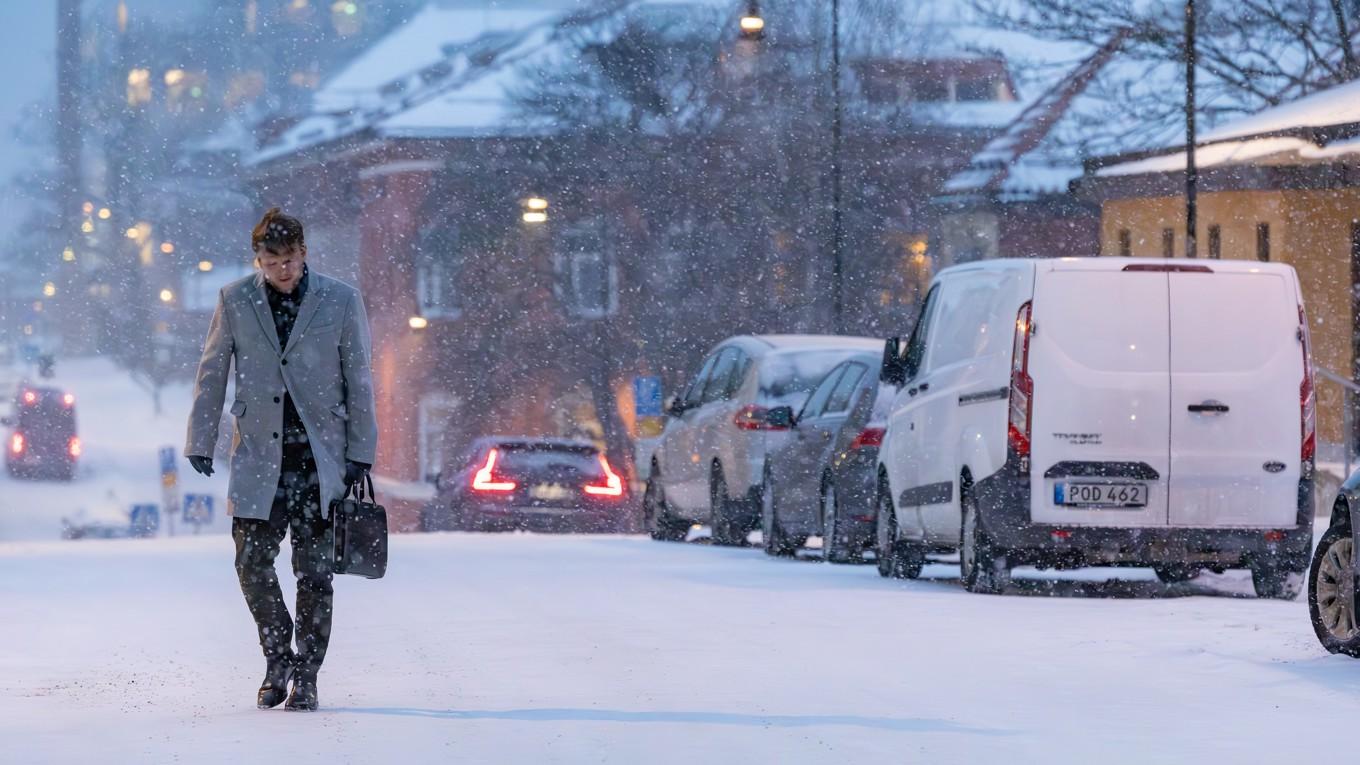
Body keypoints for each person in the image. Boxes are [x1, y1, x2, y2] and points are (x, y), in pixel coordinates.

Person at [185, 208, 378, 712]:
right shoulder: (235, 300)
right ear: (259, 260)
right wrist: (200, 440)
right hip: (257, 458)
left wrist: (361, 451)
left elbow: (359, 378)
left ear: (304, 254)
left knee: (314, 573)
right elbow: (212, 373)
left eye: (290, 260)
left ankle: (308, 675)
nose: (283, 271)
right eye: (273, 262)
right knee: (251, 564)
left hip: (319, 461)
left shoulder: (340, 300)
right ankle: (278, 657)